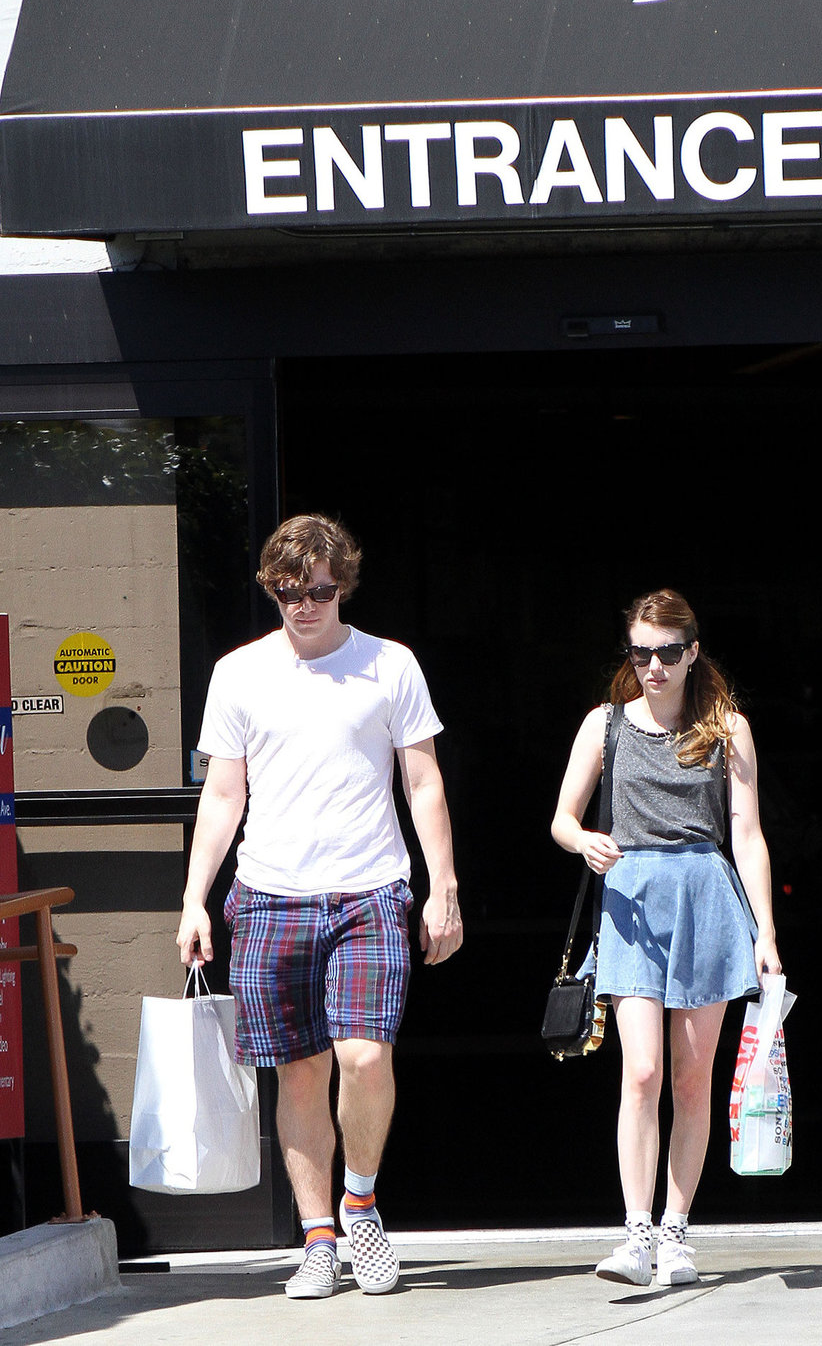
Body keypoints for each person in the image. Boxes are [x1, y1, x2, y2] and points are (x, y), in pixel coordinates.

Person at [176, 513, 462, 1300]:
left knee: (364, 1057)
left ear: (345, 587)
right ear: (271, 589)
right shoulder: (238, 673)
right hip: (269, 895)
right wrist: (194, 899)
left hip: (370, 890)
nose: (303, 605)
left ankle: (359, 1204)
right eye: (287, 591)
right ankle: (317, 1239)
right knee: (298, 1075)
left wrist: (443, 887)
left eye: (319, 592)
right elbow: (223, 794)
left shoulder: (389, 665)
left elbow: (423, 781)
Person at [551, 589, 780, 1289]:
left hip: (705, 899)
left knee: (690, 1078)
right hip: (630, 903)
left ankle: (676, 1233)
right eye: (640, 652)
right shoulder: (604, 725)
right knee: (642, 1071)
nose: (653, 666)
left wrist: (766, 932)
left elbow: (746, 833)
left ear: (692, 652)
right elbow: (561, 818)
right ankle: (636, 1234)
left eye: (668, 652)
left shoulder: (727, 728)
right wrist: (583, 841)